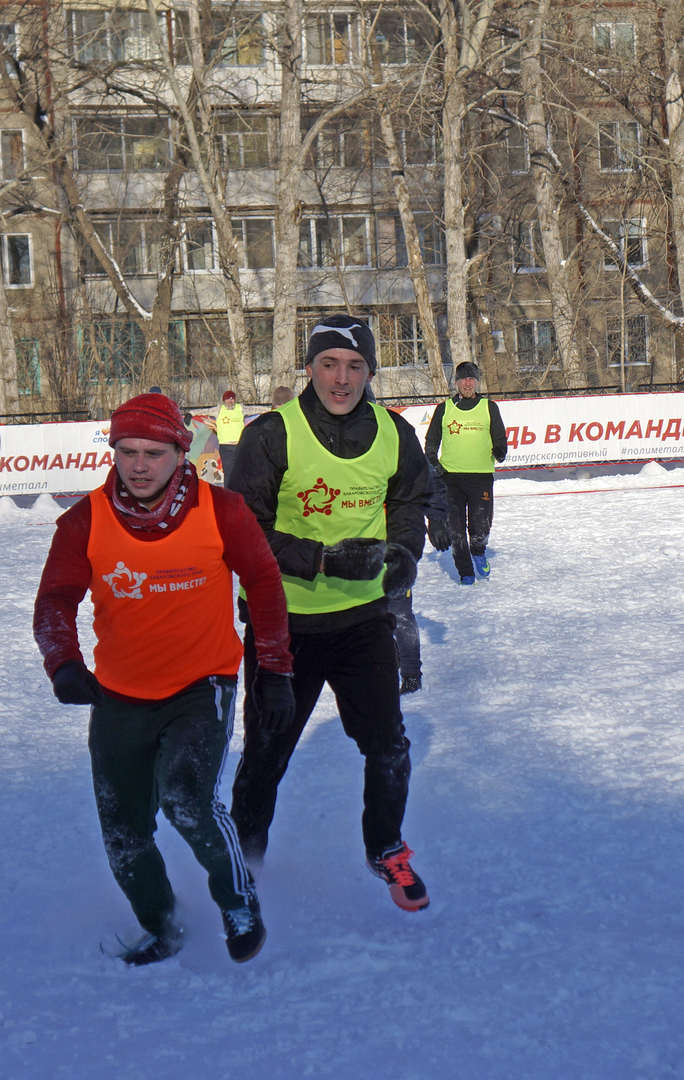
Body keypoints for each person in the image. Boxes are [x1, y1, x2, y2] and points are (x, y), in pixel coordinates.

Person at [34, 393, 295, 966]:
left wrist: (274, 669)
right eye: (126, 451)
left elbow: (265, 583)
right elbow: (55, 600)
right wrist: (65, 663)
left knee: (186, 799)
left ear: (182, 451)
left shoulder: (221, 510)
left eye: (154, 452)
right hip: (120, 695)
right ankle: (165, 925)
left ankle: (238, 900)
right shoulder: (85, 521)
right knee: (123, 831)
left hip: (203, 686)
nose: (139, 465)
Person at [224, 314, 432, 913]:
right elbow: (244, 529)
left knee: (388, 744)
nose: (342, 379)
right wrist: (322, 560)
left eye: (355, 366)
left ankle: (386, 847)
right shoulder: (273, 434)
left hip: (362, 623)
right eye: (329, 365)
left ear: (370, 372)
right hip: (282, 627)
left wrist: (402, 552)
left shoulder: (395, 433)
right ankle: (245, 863)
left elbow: (410, 498)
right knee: (268, 749)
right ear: (309, 368)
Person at [423, 361, 508, 585]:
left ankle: (478, 551)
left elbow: (499, 435)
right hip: (450, 478)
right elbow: (431, 440)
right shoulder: (444, 408)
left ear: (477, 382)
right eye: (463, 379)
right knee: (455, 529)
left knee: (480, 526)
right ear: (457, 382)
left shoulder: (489, 407)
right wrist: (433, 460)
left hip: (480, 477)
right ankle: (465, 572)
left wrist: (500, 450)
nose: (468, 383)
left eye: (472, 379)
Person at [388, 465, 449, 695]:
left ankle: (411, 674)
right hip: (360, 542)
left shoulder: (396, 437)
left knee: (399, 612)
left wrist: (437, 521)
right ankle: (388, 659)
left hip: (399, 541)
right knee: (368, 613)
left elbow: (431, 480)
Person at [216, 390, 246, 480]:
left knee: (241, 472)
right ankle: (228, 493)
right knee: (229, 472)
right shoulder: (219, 409)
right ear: (224, 400)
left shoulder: (240, 408)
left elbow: (254, 409)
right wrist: (191, 414)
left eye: (232, 399)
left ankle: (241, 493)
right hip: (225, 446)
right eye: (228, 399)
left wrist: (271, 409)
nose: (230, 401)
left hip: (239, 445)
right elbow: (204, 411)